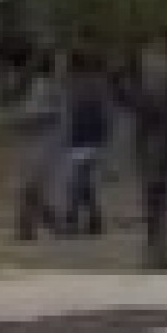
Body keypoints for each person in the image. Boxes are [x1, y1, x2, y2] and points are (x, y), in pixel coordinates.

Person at [126, 55, 167, 272]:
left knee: (160, 207)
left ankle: (160, 253)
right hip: (161, 161)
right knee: (163, 206)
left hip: (160, 161)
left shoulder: (161, 105)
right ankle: (161, 253)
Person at [11, 63, 66, 241]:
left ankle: (35, 227)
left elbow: (47, 114)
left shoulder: (46, 87)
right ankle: (32, 228)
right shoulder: (41, 87)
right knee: (32, 189)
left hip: (44, 146)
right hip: (35, 146)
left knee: (33, 188)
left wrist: (24, 118)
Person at [60, 57, 113, 238]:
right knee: (82, 184)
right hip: (81, 142)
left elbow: (104, 117)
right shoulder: (81, 88)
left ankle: (72, 221)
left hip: (87, 141)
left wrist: (101, 142)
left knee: (76, 182)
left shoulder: (91, 87)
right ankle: (95, 220)